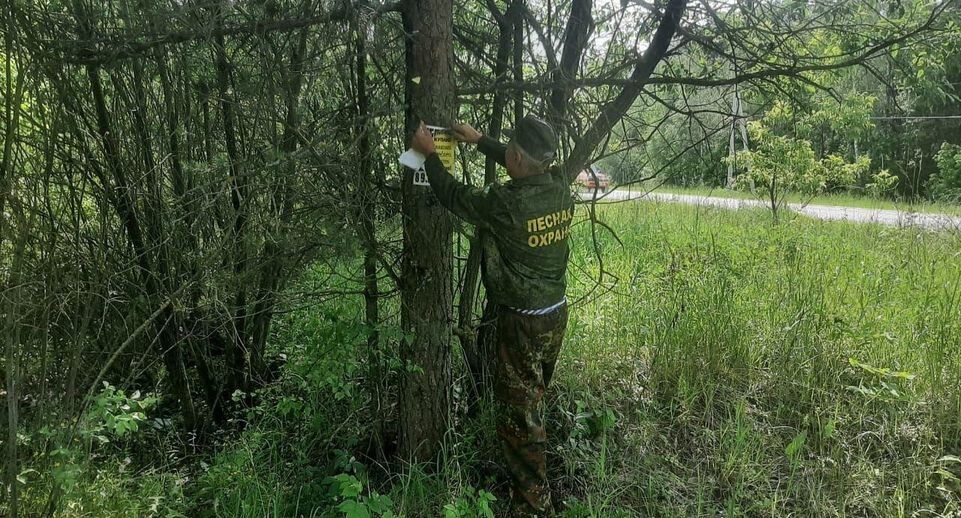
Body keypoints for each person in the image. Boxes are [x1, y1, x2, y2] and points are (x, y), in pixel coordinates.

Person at [410, 116, 573, 516]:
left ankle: (533, 507)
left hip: (523, 324)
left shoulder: (506, 204)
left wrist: (430, 155)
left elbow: (455, 195)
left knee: (521, 420)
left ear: (517, 157)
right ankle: (535, 486)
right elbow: (520, 160)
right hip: (555, 315)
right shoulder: (559, 185)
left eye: (510, 153)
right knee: (532, 404)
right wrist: (481, 141)